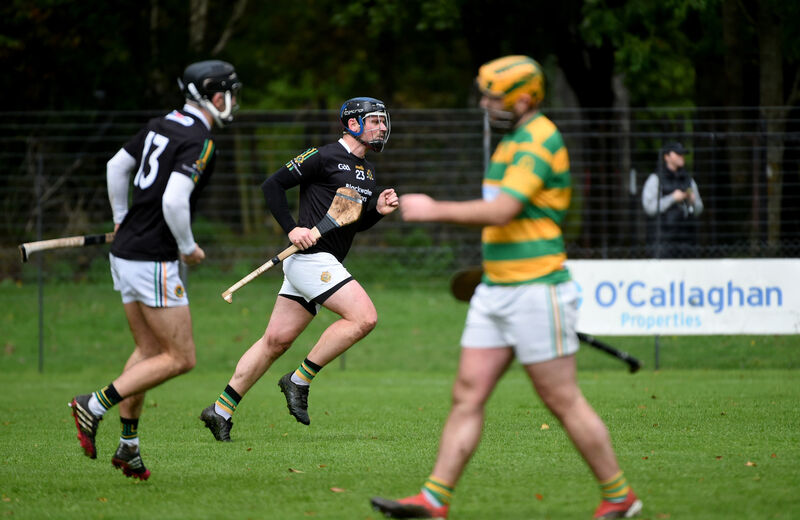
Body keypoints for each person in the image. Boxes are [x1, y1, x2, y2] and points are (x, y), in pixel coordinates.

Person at [370, 56, 642, 519]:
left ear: (524, 98)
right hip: (495, 291)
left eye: (493, 96)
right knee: (467, 394)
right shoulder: (510, 142)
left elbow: (503, 212)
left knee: (562, 400)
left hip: (537, 290)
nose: (484, 103)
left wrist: (434, 209)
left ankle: (620, 497)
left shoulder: (540, 138)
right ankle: (434, 500)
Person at [69, 60, 242, 480]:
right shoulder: (200, 140)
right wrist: (188, 248)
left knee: (148, 353)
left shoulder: (160, 124)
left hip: (126, 253)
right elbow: (173, 201)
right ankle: (92, 404)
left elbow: (116, 166)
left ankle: (128, 446)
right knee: (181, 358)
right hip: (154, 258)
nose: (231, 100)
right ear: (213, 94)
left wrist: (120, 217)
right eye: (229, 92)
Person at [199, 97, 399, 441]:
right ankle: (298, 379)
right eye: (375, 121)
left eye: (383, 121)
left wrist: (377, 211)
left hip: (324, 263)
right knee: (364, 318)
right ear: (353, 124)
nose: (382, 127)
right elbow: (272, 185)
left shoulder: (366, 172)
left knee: (275, 341)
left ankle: (219, 410)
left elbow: (348, 223)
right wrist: (292, 228)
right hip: (310, 260)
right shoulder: (321, 157)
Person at [641, 141, 704, 258]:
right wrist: (672, 198)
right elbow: (649, 208)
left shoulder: (689, 180)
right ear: (667, 157)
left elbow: (699, 209)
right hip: (662, 241)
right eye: (678, 153)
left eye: (682, 154)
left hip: (687, 240)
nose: (682, 156)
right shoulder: (655, 179)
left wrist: (692, 201)